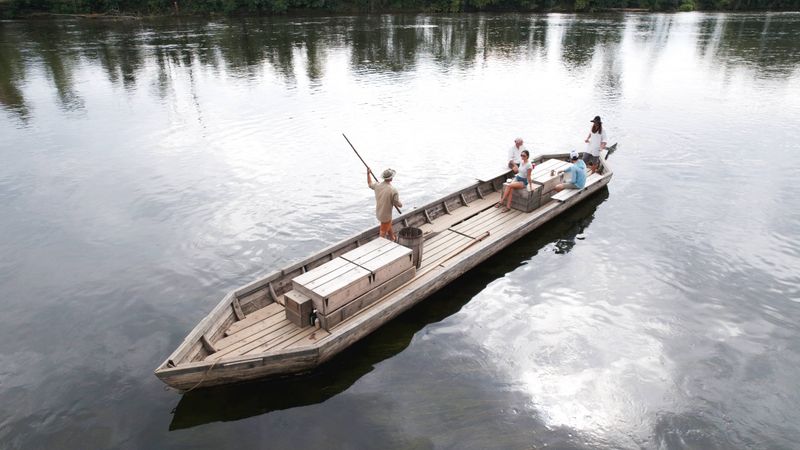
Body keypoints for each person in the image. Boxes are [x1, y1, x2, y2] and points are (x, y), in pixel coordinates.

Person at [367, 167, 403, 241]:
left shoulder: (377, 185)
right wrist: (401, 204)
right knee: (382, 233)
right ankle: (381, 247)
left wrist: (368, 174)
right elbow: (397, 203)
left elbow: (370, 184)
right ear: (391, 178)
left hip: (379, 213)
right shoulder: (393, 190)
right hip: (385, 216)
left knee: (388, 224)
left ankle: (392, 238)